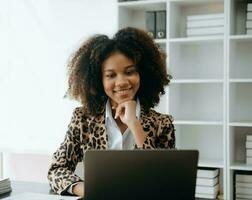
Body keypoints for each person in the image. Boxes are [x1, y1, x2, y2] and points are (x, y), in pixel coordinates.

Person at [47, 27, 175, 197]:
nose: (121, 82)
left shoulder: (162, 124)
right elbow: (57, 169)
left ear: (143, 74)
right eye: (111, 75)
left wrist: (135, 125)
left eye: (129, 72)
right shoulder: (83, 119)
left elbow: (166, 179)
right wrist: (87, 190)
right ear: (98, 80)